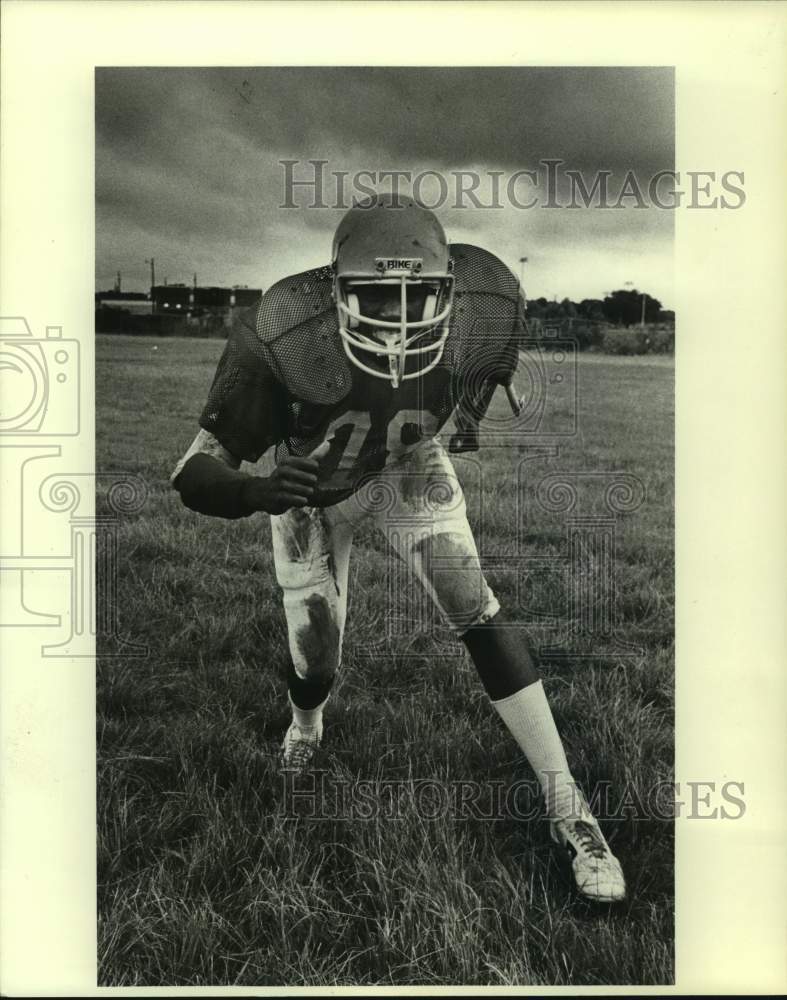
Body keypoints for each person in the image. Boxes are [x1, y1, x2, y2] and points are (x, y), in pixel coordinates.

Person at [171, 195, 626, 904]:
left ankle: (570, 810)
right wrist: (258, 490)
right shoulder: (280, 334)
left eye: (420, 296)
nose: (402, 318)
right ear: (334, 292)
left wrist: (467, 416)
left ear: (449, 292)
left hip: (407, 468)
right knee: (314, 659)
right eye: (379, 297)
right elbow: (192, 471)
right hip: (309, 490)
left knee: (474, 605)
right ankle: (306, 724)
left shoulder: (484, 309)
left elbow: (487, 366)